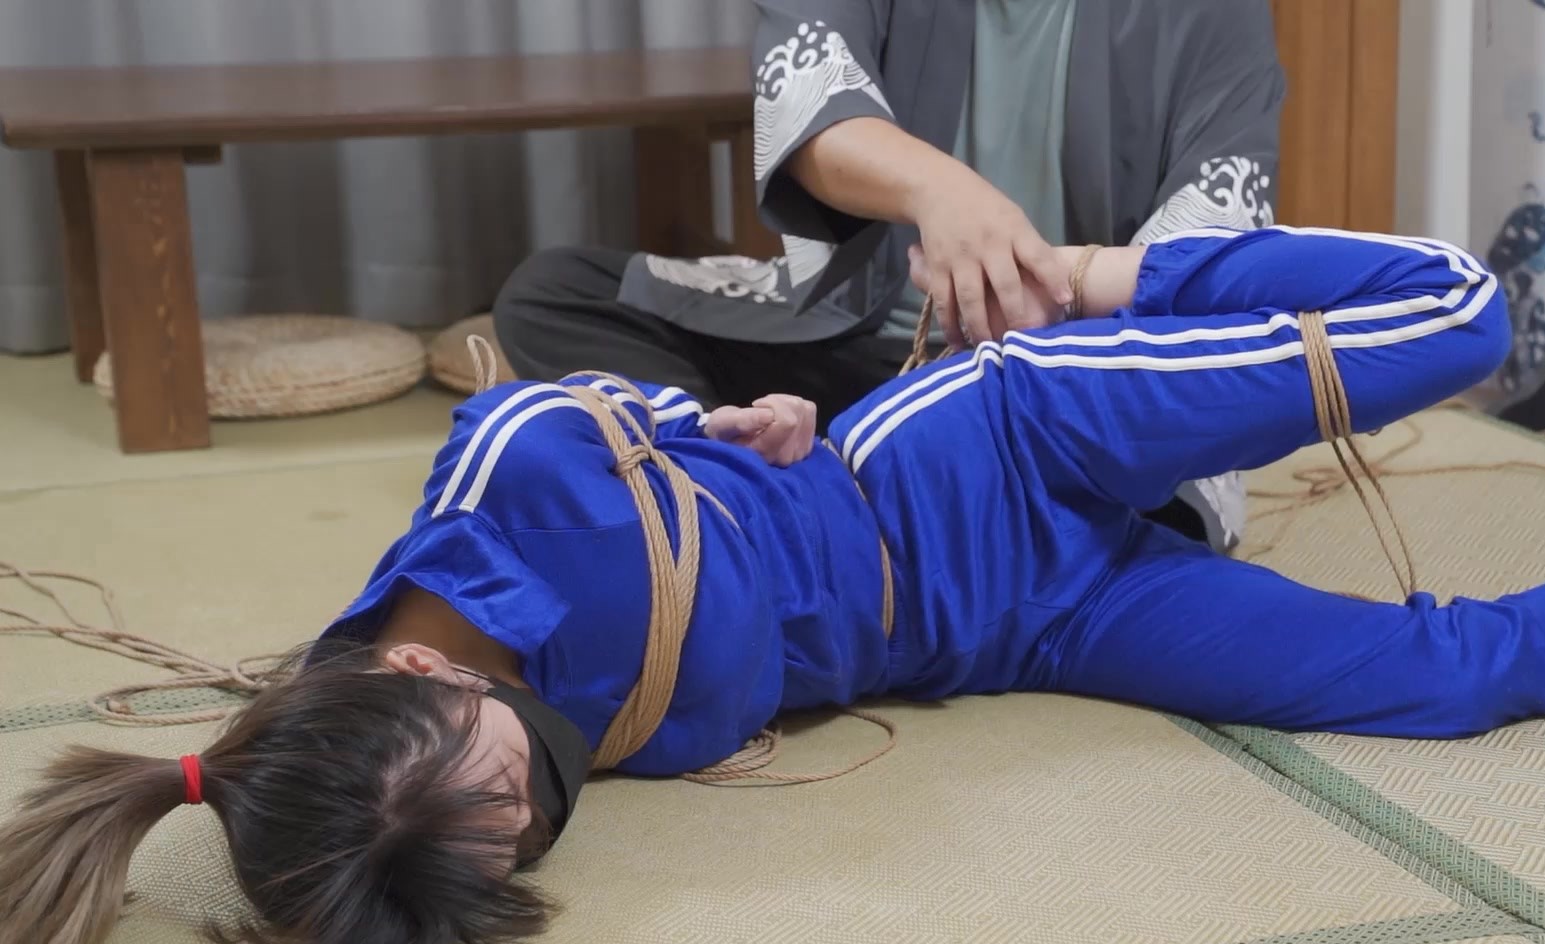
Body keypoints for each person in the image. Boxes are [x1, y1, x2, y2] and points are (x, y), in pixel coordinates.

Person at [5, 226, 1545, 944]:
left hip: (984, 446)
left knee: (1462, 325)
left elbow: (586, 395)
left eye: (506, 772)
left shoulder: (512, 488)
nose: (542, 791)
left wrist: (741, 420)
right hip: (1020, 626)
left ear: (418, 671)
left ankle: (1126, 260)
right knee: (1429, 687)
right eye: (532, 822)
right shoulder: (403, 770)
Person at [491, 0, 1286, 552]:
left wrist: (1063, 295)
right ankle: (756, 479)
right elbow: (811, 110)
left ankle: (787, 513)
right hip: (862, 346)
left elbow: (1212, 241)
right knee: (557, 295)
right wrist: (942, 191)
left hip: (1070, 379)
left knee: (1158, 493)